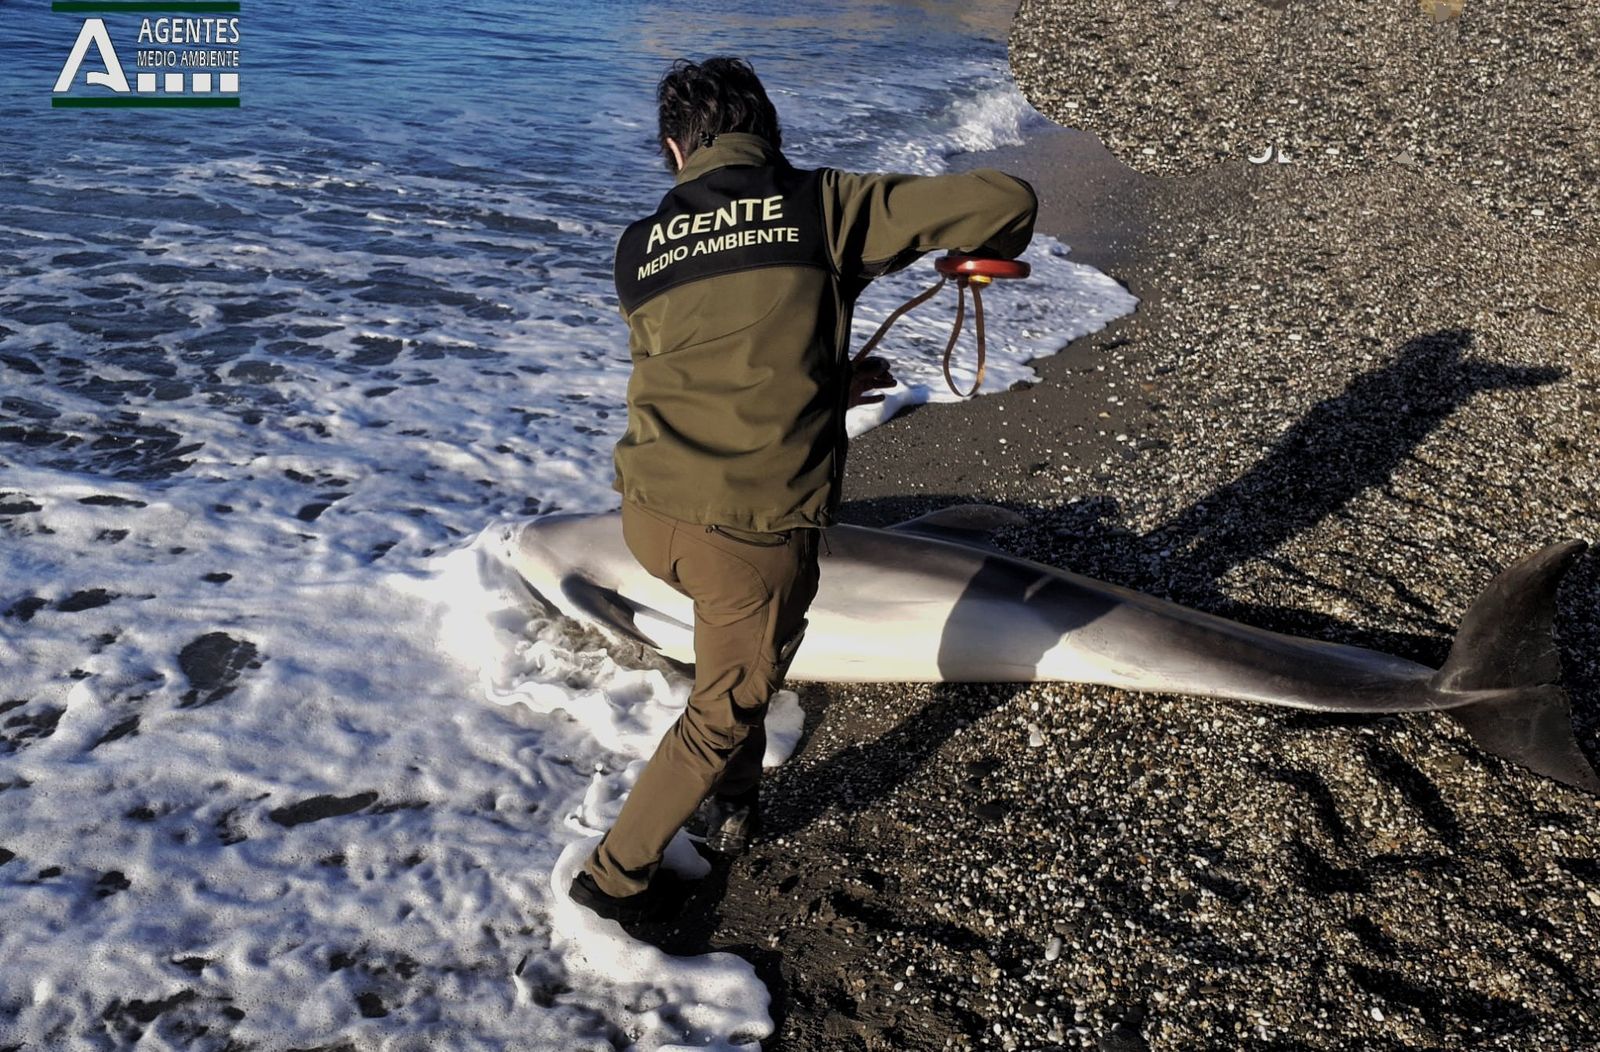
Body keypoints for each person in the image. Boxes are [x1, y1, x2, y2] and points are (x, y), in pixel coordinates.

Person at [569, 56, 1037, 922]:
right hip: (747, 535)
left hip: (646, 515)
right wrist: (985, 253)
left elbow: (712, 361)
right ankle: (608, 882)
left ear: (675, 148)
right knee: (725, 703)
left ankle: (734, 804)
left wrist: (824, 380)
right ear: (769, 133)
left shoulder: (638, 248)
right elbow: (1006, 200)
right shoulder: (822, 204)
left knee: (744, 663)